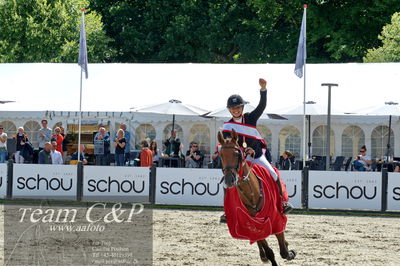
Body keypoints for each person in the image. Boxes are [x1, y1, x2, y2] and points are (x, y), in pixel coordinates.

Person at [222, 78, 293, 218]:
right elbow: (229, 146)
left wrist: (263, 89)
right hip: (240, 158)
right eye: (233, 108)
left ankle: (283, 202)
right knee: (226, 182)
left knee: (272, 173)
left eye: (238, 108)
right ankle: (227, 211)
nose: (235, 110)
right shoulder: (227, 127)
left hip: (257, 155)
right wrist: (242, 152)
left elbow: (262, 106)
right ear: (229, 110)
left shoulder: (250, 118)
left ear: (242, 108)